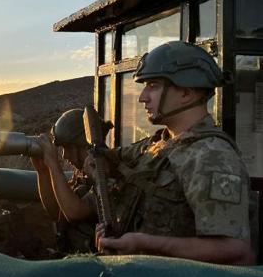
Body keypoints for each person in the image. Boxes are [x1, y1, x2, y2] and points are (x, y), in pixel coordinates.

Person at [48, 41, 254, 265]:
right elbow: (111, 159)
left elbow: (237, 252)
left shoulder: (212, 157)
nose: (142, 97)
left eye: (153, 86)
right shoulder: (158, 144)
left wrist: (145, 244)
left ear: (186, 92)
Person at [31, 109, 102, 254]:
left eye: (68, 148)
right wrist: (43, 171)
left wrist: (53, 164)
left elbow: (75, 212)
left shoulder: (104, 174)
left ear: (84, 145)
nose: (65, 155)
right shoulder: (82, 176)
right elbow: (56, 212)